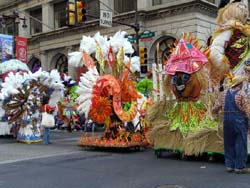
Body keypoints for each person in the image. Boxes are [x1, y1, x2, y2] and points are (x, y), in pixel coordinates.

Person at [212, 75, 250, 174]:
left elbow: (215, 108)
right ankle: (240, 167)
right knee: (240, 143)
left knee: (228, 143)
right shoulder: (241, 94)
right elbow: (247, 110)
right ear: (239, 84)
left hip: (227, 120)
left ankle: (229, 165)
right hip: (239, 120)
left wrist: (215, 114)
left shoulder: (224, 93)